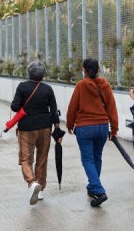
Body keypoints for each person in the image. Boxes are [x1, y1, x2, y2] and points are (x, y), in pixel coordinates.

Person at [66, 58, 118, 207]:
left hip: (84, 128)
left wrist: (70, 125)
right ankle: (92, 186)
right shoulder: (105, 85)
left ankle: (98, 190)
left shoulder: (80, 85)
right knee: (97, 158)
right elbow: (112, 108)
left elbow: (72, 107)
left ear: (84, 70)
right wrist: (114, 129)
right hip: (102, 126)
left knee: (87, 159)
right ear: (98, 70)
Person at [11, 61, 59, 206]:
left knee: (25, 158)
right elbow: (54, 110)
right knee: (42, 158)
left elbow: (14, 107)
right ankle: (41, 190)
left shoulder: (22, 87)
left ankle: (32, 183)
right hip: (45, 127)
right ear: (43, 74)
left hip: (27, 128)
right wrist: (57, 129)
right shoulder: (48, 89)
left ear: (29, 73)